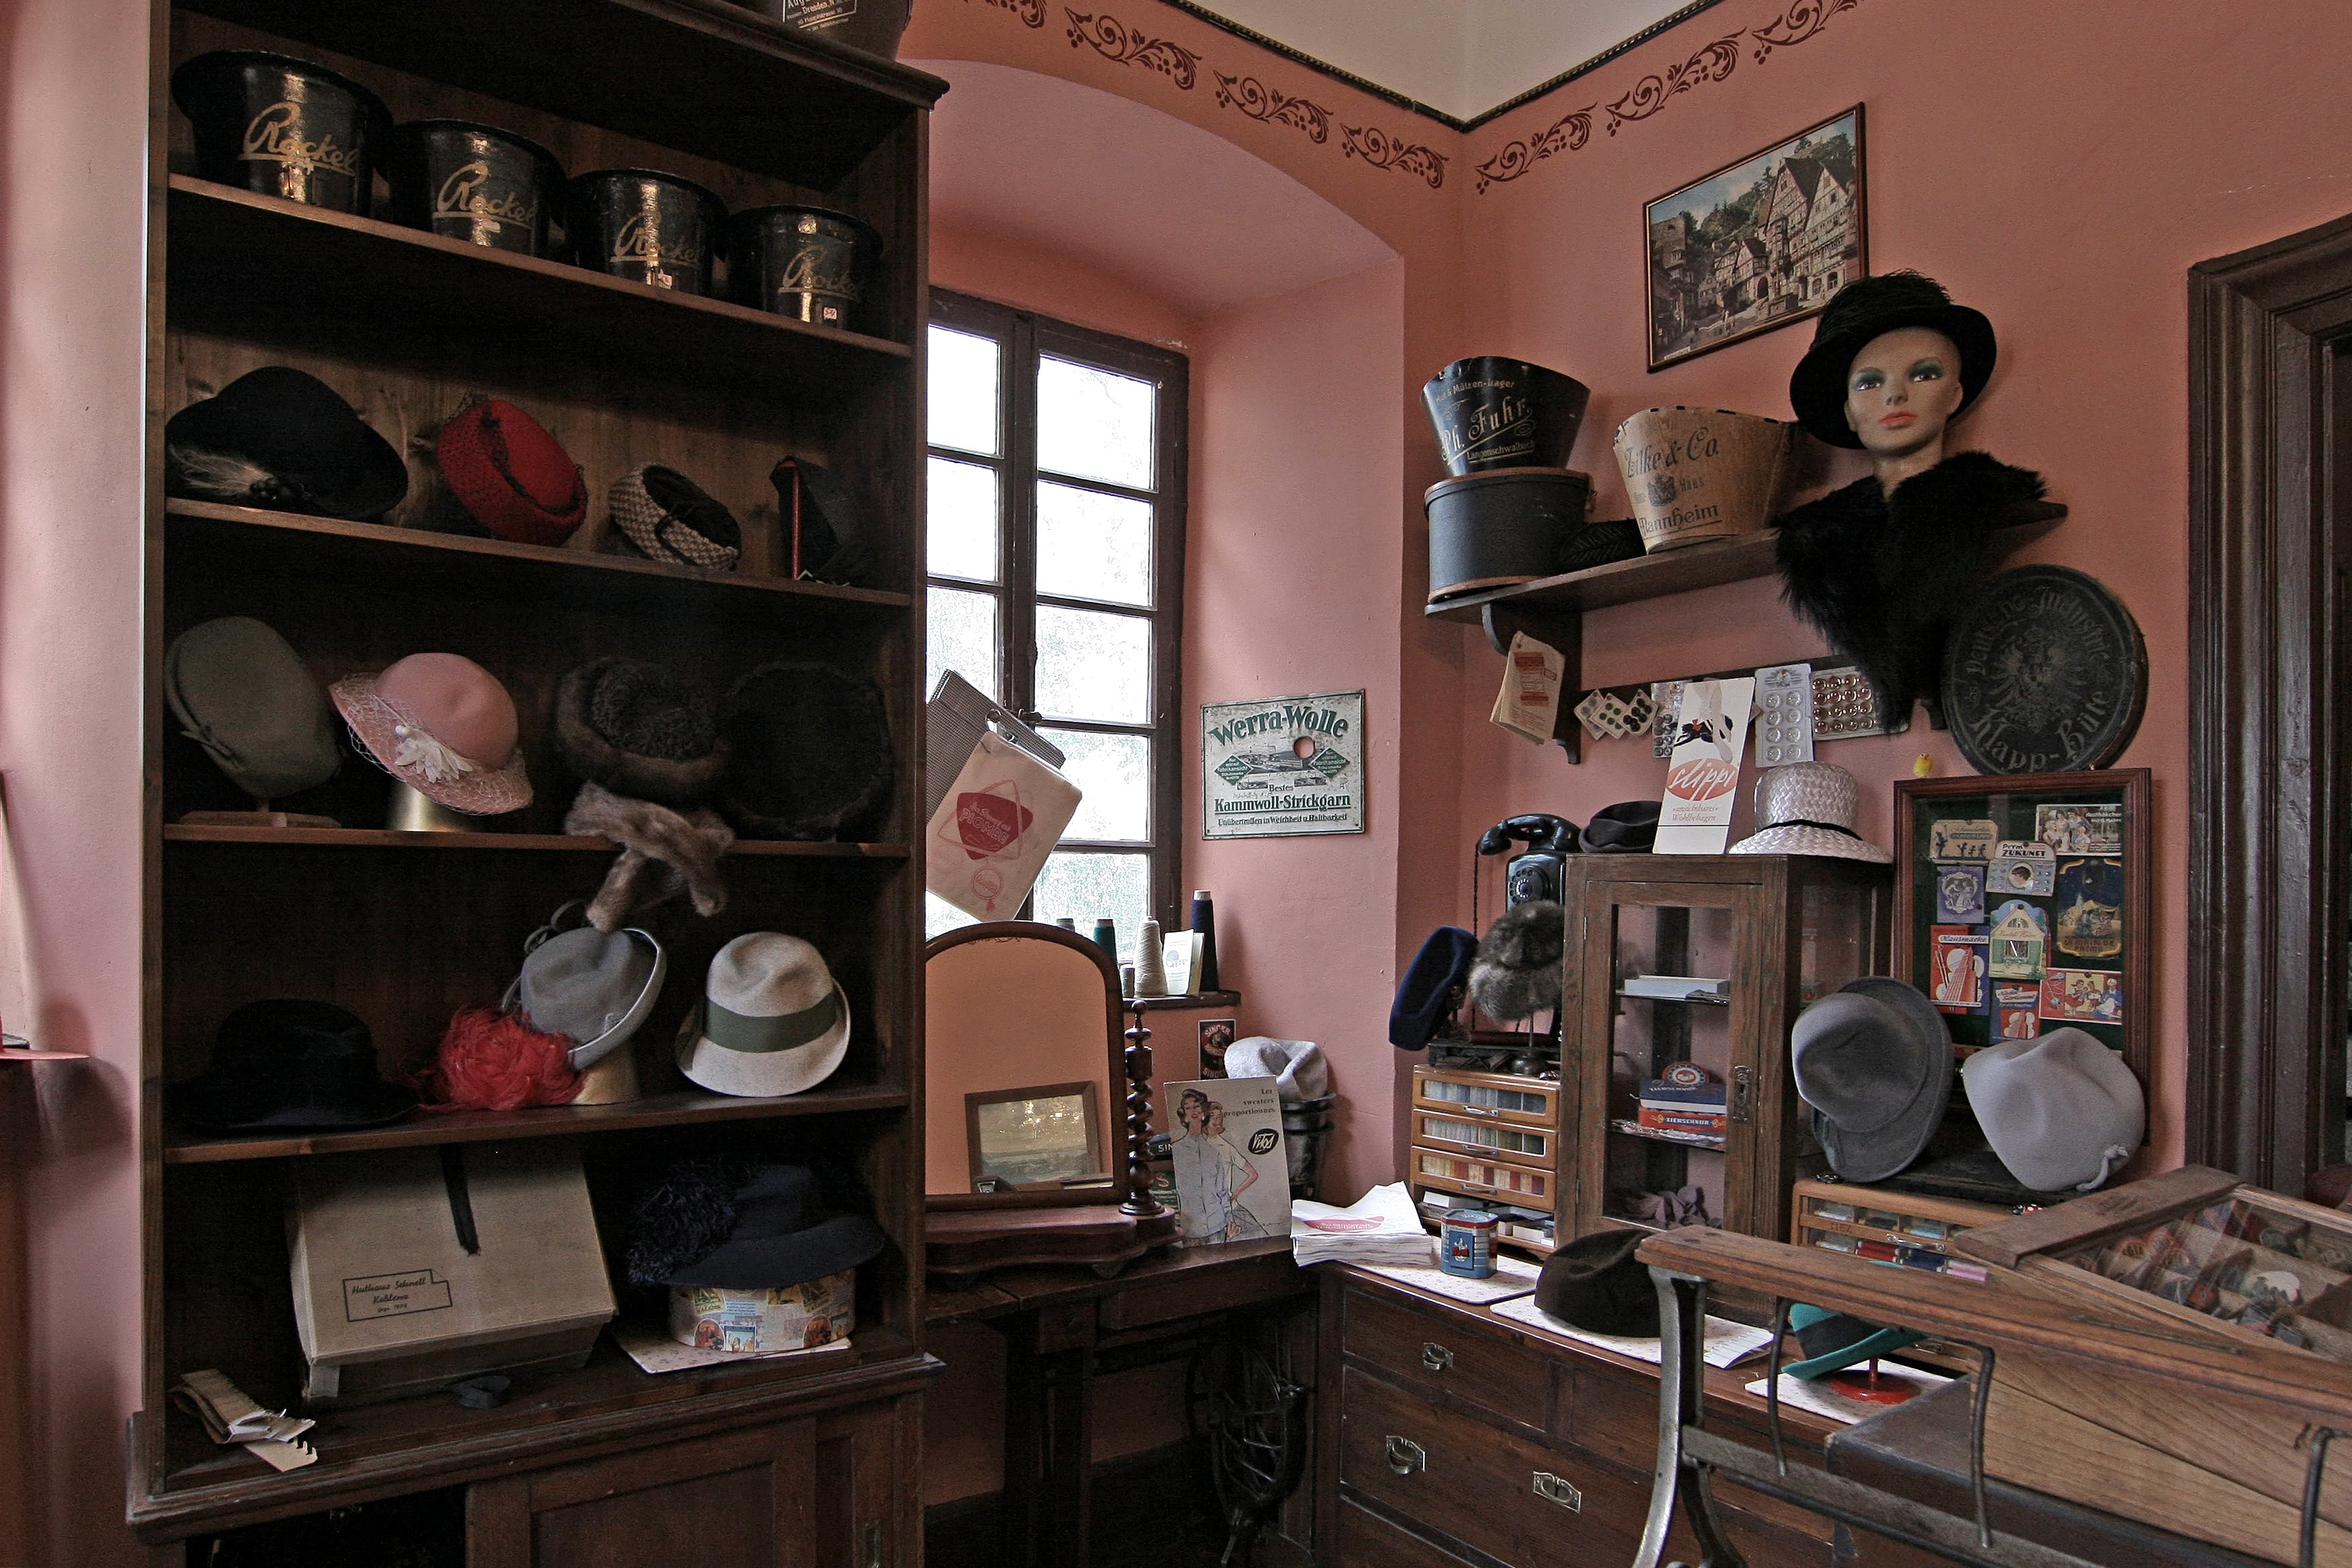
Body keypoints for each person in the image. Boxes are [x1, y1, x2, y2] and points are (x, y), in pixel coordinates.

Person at [1775, 271, 2051, 725]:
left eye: (1924, 374)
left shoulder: (1971, 502)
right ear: (1848, 411)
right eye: (1869, 383)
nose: (1896, 394)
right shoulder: (1817, 541)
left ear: (1954, 395)